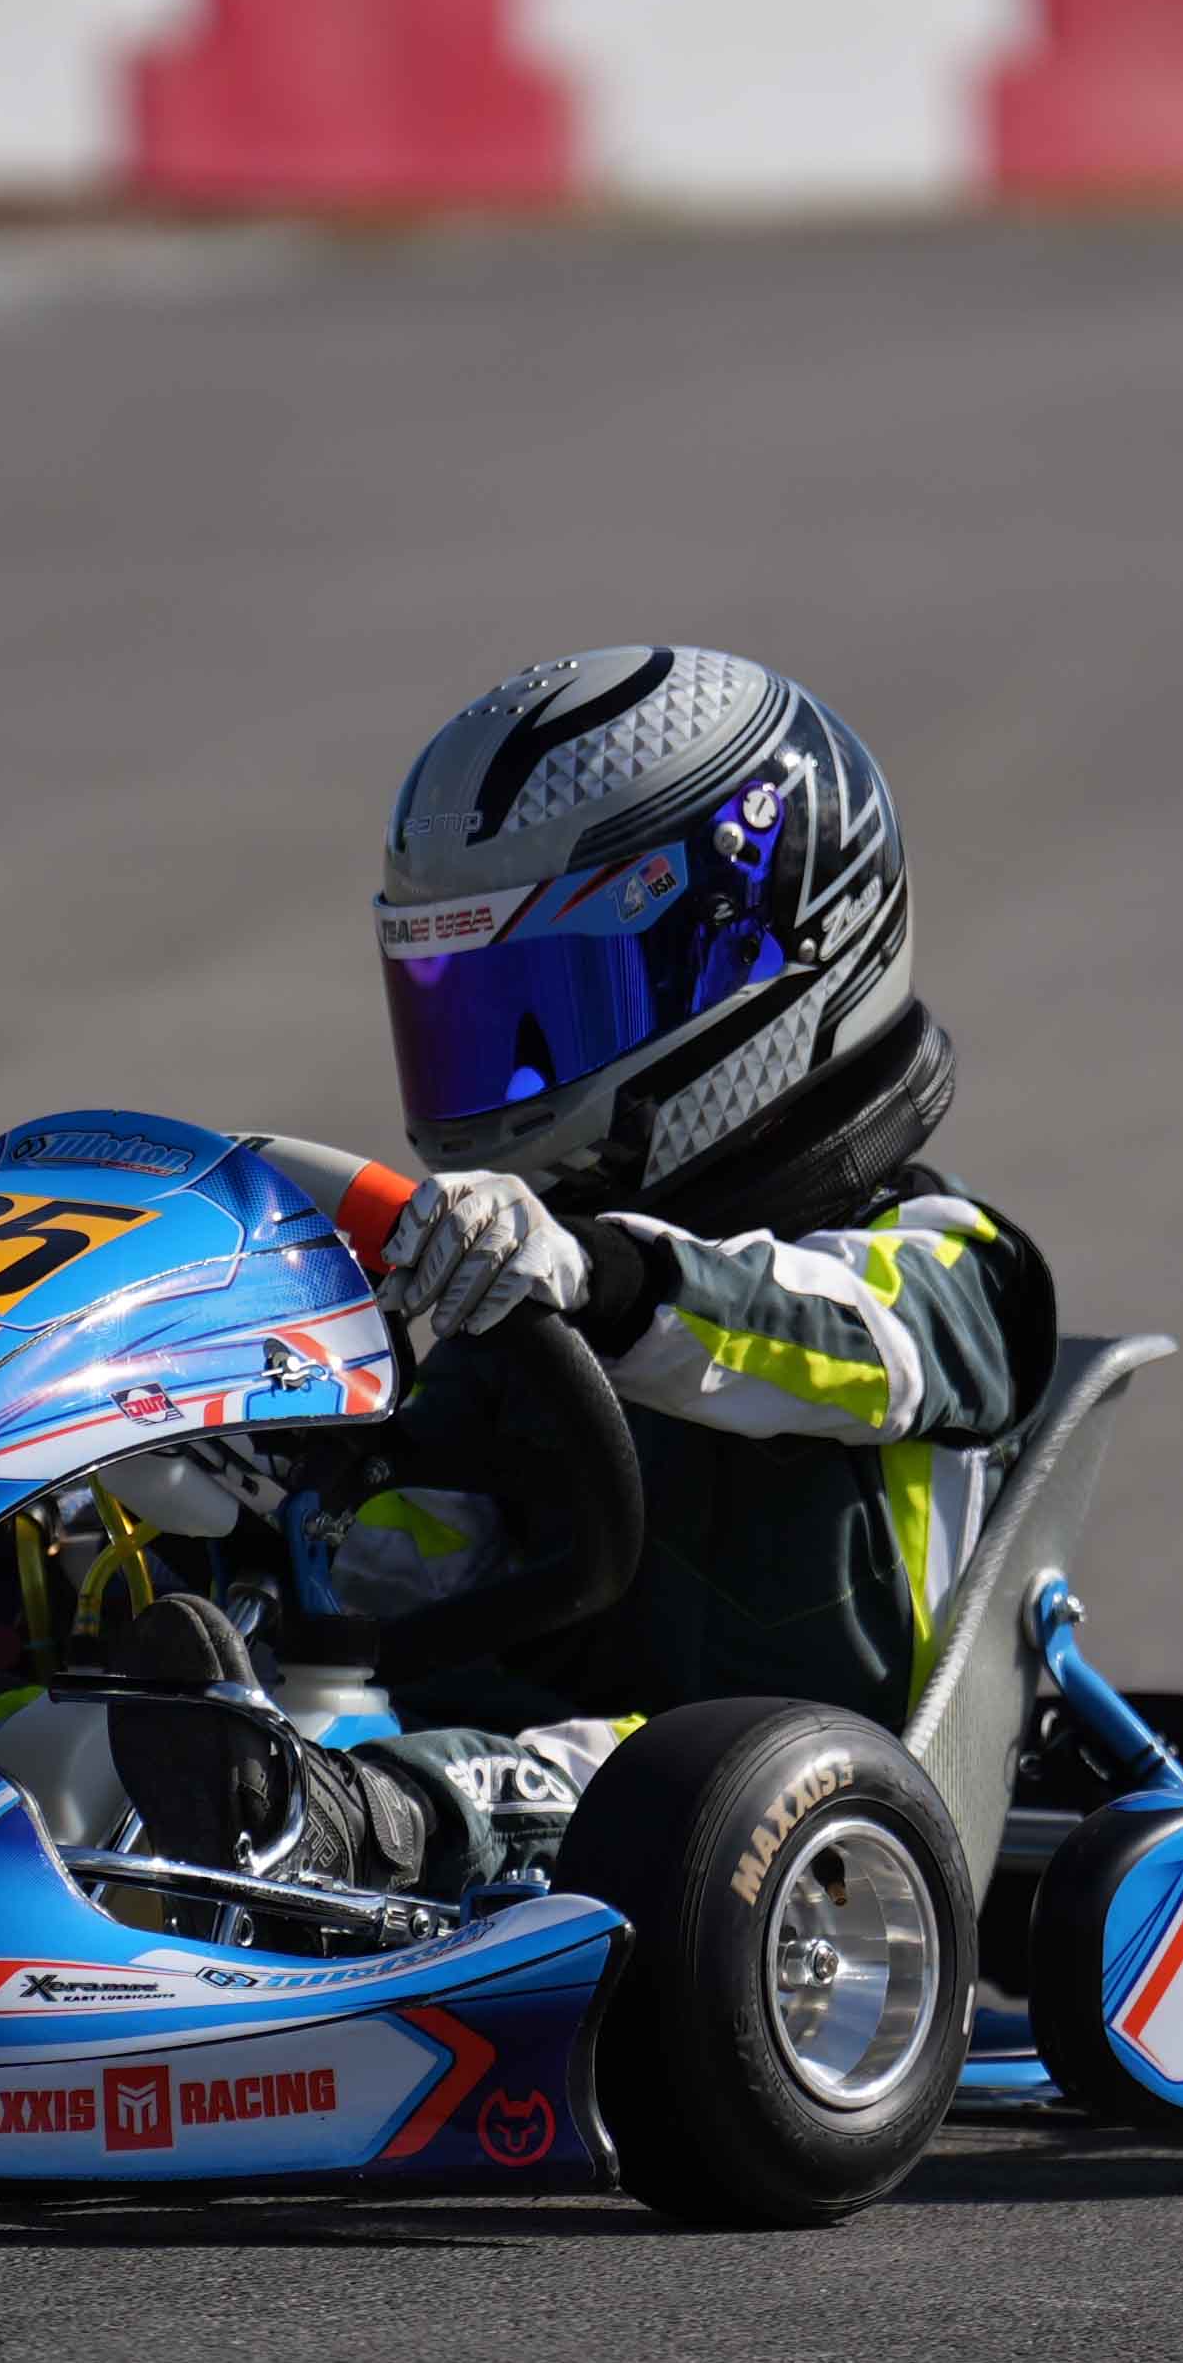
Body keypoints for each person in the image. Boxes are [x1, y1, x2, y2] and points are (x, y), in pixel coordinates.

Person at [305, 647, 1053, 1886]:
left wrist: (608, 1281)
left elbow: (810, 1338)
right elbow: (415, 1566)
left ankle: (356, 1827)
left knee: (438, 1794)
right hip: (568, 1735)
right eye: (474, 1010)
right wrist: (266, 1502)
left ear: (769, 961)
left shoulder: (950, 1270)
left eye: (556, 1008)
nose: (505, 1064)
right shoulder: (535, 1296)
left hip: (808, 1796)